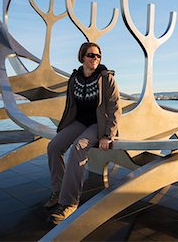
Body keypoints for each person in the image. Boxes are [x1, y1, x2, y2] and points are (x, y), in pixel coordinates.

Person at [45, 42, 121, 225]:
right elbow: (70, 105)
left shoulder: (106, 78)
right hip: (79, 122)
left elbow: (115, 107)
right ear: (82, 57)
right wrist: (65, 127)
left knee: (79, 146)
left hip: (99, 124)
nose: (95, 58)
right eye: (91, 55)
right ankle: (58, 191)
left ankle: (69, 202)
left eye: (98, 56)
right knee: (54, 146)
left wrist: (107, 135)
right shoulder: (74, 78)